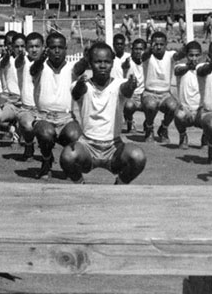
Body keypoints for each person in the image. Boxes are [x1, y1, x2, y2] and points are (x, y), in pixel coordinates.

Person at [61, 41, 144, 184]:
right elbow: (76, 93)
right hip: (88, 145)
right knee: (67, 156)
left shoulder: (118, 84)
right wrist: (80, 84)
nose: (103, 66)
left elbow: (125, 89)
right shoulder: (82, 84)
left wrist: (131, 86)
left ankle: (120, 183)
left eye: (107, 62)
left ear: (112, 63)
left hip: (114, 147)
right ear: (90, 64)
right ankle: (81, 184)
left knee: (138, 156)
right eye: (98, 62)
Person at [29, 32, 82, 179]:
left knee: (75, 135)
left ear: (66, 49)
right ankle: (46, 160)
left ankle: (67, 161)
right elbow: (33, 70)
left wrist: (89, 56)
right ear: (47, 49)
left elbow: (82, 66)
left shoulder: (72, 68)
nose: (57, 51)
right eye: (53, 47)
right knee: (46, 134)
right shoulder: (40, 67)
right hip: (44, 116)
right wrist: (41, 59)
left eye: (60, 47)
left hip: (66, 118)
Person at [138, 31, 182, 143]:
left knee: (174, 106)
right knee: (150, 105)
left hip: (165, 94)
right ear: (151, 44)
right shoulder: (147, 56)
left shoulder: (170, 55)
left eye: (161, 44)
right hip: (149, 93)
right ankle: (149, 127)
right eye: (155, 44)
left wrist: (185, 49)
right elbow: (144, 57)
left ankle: (163, 128)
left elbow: (178, 55)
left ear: (166, 44)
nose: (158, 47)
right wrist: (149, 49)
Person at [171, 41, 204, 148]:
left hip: (201, 110)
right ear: (186, 56)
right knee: (178, 114)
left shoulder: (203, 68)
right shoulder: (180, 67)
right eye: (191, 55)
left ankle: (207, 138)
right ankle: (182, 136)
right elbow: (178, 71)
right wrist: (188, 67)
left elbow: (208, 69)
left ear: (201, 55)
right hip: (186, 110)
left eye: (197, 55)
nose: (194, 58)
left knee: (211, 117)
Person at [120, 37, 147, 133]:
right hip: (131, 95)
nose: (138, 51)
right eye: (136, 49)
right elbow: (124, 66)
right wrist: (126, 64)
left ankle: (148, 123)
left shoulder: (147, 62)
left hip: (144, 94)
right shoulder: (128, 62)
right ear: (132, 50)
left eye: (141, 49)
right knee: (128, 106)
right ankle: (130, 121)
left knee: (153, 104)